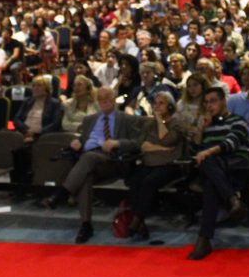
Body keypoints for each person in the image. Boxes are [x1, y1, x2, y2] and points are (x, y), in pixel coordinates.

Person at [42, 86, 143, 243]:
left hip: (113, 160)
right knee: (85, 174)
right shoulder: (90, 120)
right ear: (97, 101)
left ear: (114, 99)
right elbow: (82, 141)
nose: (105, 101)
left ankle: (62, 193)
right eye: (101, 98)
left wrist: (117, 142)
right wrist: (76, 142)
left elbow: (138, 143)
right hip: (89, 161)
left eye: (108, 97)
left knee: (88, 158)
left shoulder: (127, 119)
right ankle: (86, 224)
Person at [188, 86, 249, 260]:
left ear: (224, 101)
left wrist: (208, 152)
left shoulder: (237, 120)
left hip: (235, 166)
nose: (209, 106)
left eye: (213, 101)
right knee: (210, 180)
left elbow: (232, 143)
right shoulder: (206, 125)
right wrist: (200, 130)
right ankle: (233, 200)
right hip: (215, 171)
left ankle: (204, 240)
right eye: (206, 102)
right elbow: (194, 151)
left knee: (209, 172)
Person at [126, 91, 185, 241]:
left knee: (149, 181)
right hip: (149, 163)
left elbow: (166, 139)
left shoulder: (176, 123)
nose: (157, 106)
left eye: (161, 103)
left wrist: (159, 122)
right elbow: (142, 145)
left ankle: (137, 219)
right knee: (134, 180)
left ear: (170, 106)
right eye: (155, 103)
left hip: (170, 164)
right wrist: (161, 149)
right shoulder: (148, 123)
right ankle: (140, 223)